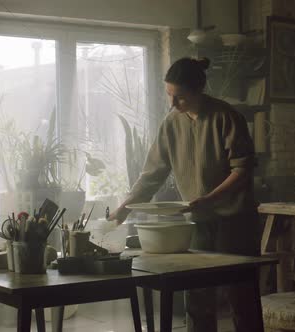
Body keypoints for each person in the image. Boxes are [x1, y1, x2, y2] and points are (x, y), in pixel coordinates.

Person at [109, 57, 260, 332]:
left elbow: (242, 170)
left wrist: (209, 198)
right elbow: (152, 175)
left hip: (235, 219)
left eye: (179, 97)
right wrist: (124, 207)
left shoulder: (226, 117)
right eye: (169, 95)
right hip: (199, 220)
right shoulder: (171, 124)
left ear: (199, 89)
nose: (173, 104)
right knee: (198, 296)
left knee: (240, 296)